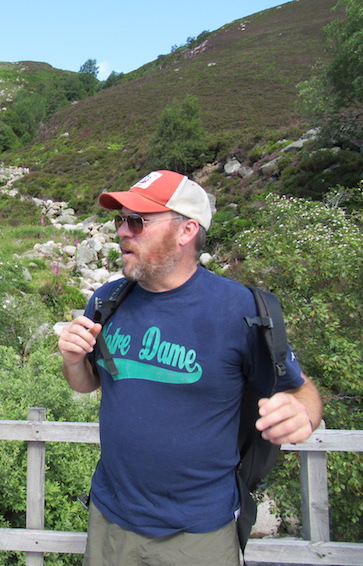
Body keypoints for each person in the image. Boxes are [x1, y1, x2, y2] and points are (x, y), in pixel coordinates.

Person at [58, 170, 322, 566]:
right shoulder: (107, 300)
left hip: (196, 535)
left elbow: (300, 389)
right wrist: (73, 361)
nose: (122, 233)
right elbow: (87, 384)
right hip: (109, 519)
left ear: (186, 231)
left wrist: (304, 412)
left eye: (138, 221)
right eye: (120, 220)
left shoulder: (240, 311)